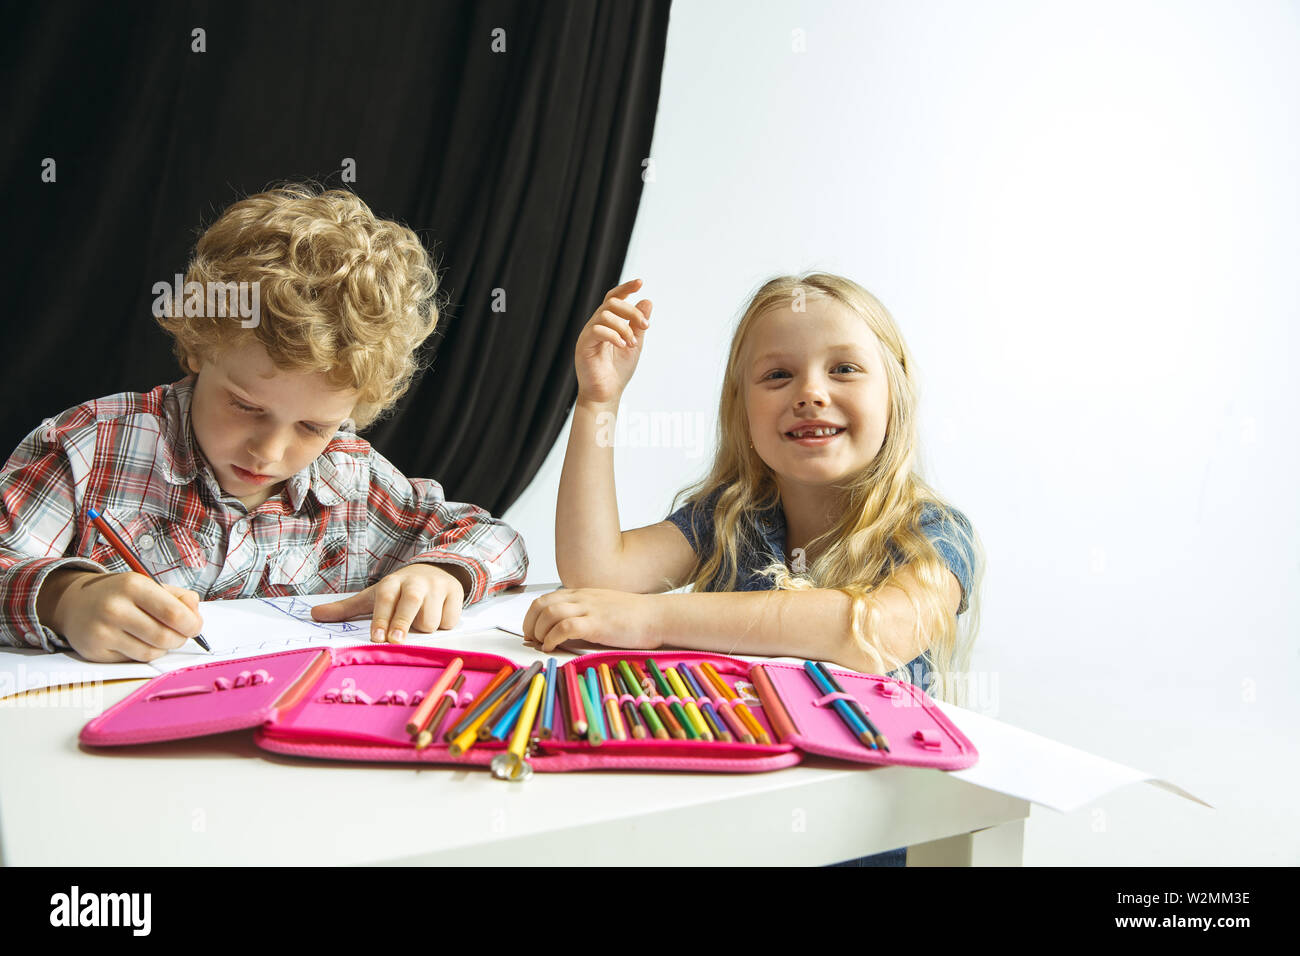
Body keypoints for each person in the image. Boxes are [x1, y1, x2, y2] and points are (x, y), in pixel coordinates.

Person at [526, 274, 982, 865]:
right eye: (777, 375)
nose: (810, 392)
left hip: (858, 836)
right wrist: (598, 401)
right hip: (728, 819)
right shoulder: (731, 517)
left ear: (893, 392)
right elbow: (597, 573)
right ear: (742, 410)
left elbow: (871, 632)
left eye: (843, 369)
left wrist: (655, 618)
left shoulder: (933, 534)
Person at [0, 184, 527, 663]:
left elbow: (496, 539)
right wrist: (65, 599)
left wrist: (441, 573)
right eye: (246, 407)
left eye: (313, 427)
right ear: (200, 347)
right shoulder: (89, 446)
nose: (270, 452)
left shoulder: (353, 479)